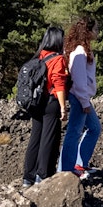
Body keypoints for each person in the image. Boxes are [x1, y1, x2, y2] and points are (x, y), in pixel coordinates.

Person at [23, 26, 68, 186]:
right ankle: (43, 175)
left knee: (35, 138)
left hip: (36, 103)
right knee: (48, 138)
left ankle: (28, 176)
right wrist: (63, 107)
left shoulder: (39, 57)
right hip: (51, 101)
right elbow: (59, 84)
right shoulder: (58, 59)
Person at [60, 15, 101, 177]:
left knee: (94, 128)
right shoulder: (79, 51)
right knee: (74, 132)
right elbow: (79, 80)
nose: (98, 32)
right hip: (79, 97)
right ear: (87, 31)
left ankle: (79, 164)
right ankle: (66, 170)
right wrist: (84, 102)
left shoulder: (79, 49)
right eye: (95, 29)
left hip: (81, 97)